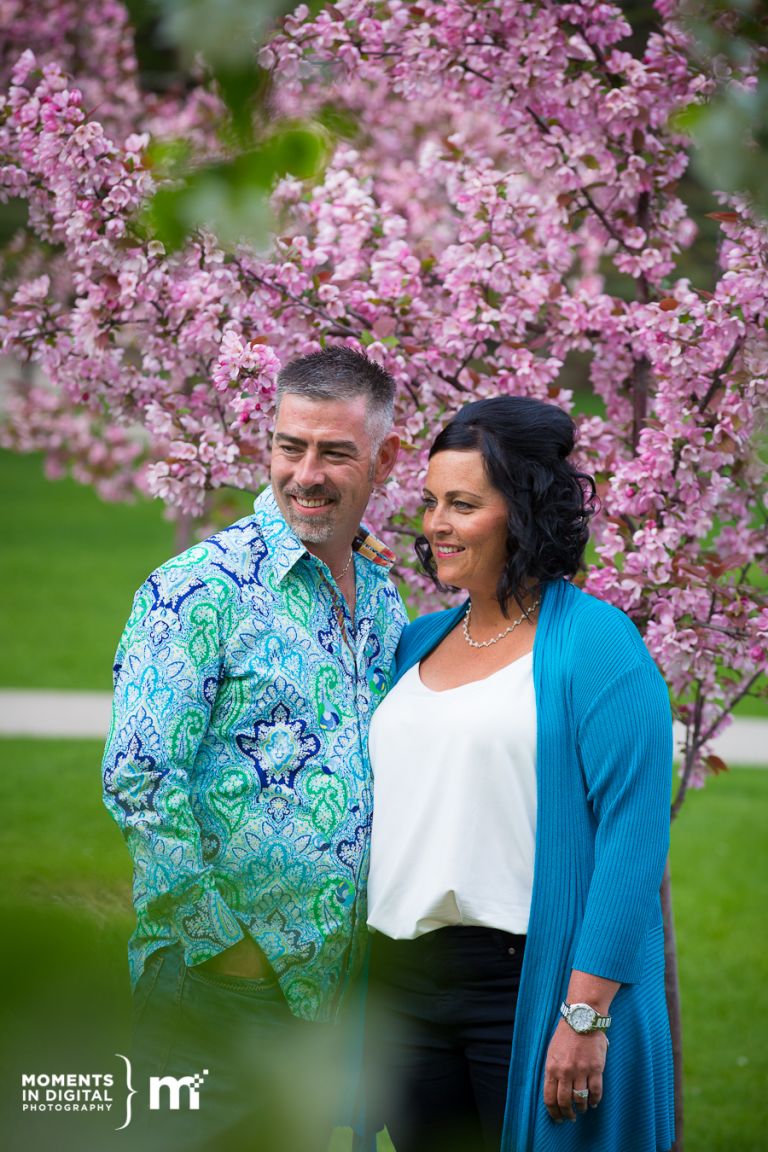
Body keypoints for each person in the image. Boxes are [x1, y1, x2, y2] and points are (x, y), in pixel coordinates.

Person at [102, 346, 406, 1152]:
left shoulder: (382, 597)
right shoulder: (197, 590)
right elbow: (138, 778)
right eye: (288, 445)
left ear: (385, 458)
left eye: (335, 452)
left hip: (337, 994)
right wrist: (225, 948)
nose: (305, 473)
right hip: (219, 987)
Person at [364, 395, 674, 1152]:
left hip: (526, 986)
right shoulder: (418, 641)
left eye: (463, 504)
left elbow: (633, 843)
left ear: (524, 511)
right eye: (431, 501)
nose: (436, 523)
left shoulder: (597, 645)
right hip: (403, 986)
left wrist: (585, 1016)